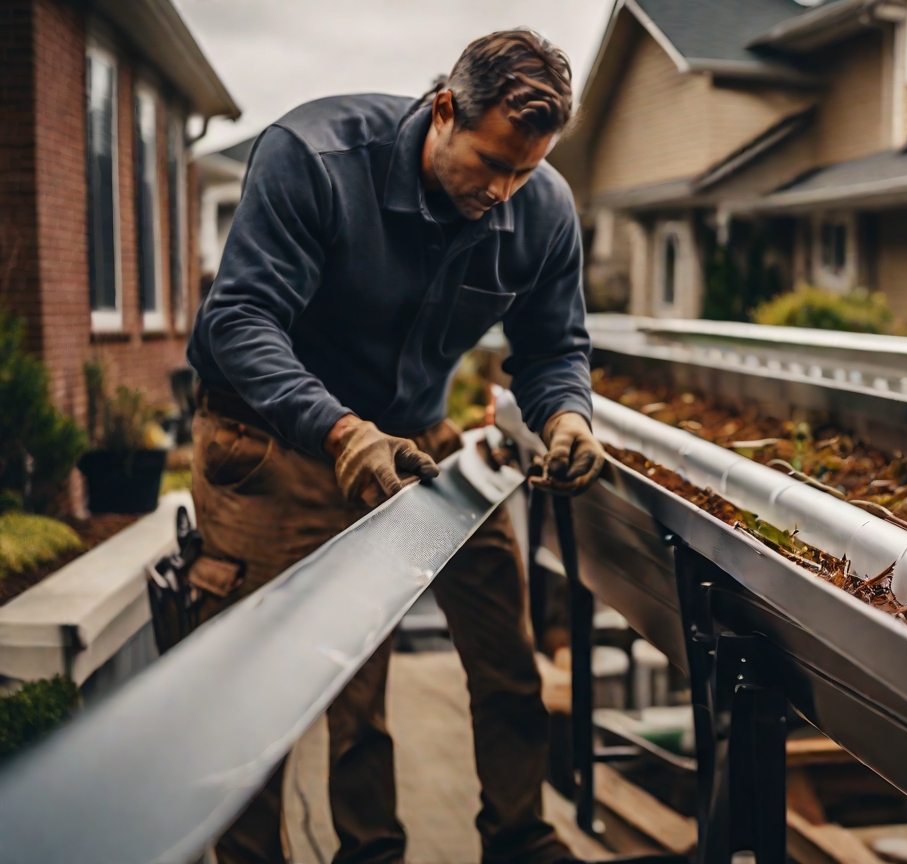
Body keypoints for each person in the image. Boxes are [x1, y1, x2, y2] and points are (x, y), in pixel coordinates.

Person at [186, 30, 613, 864]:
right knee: (261, 689)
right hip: (274, 435)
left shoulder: (541, 205)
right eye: (490, 163)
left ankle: (520, 839)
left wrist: (568, 416)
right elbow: (238, 322)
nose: (502, 190)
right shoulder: (312, 157)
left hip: (416, 441)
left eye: (524, 171)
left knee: (505, 652)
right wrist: (341, 431)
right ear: (444, 110)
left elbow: (554, 347)